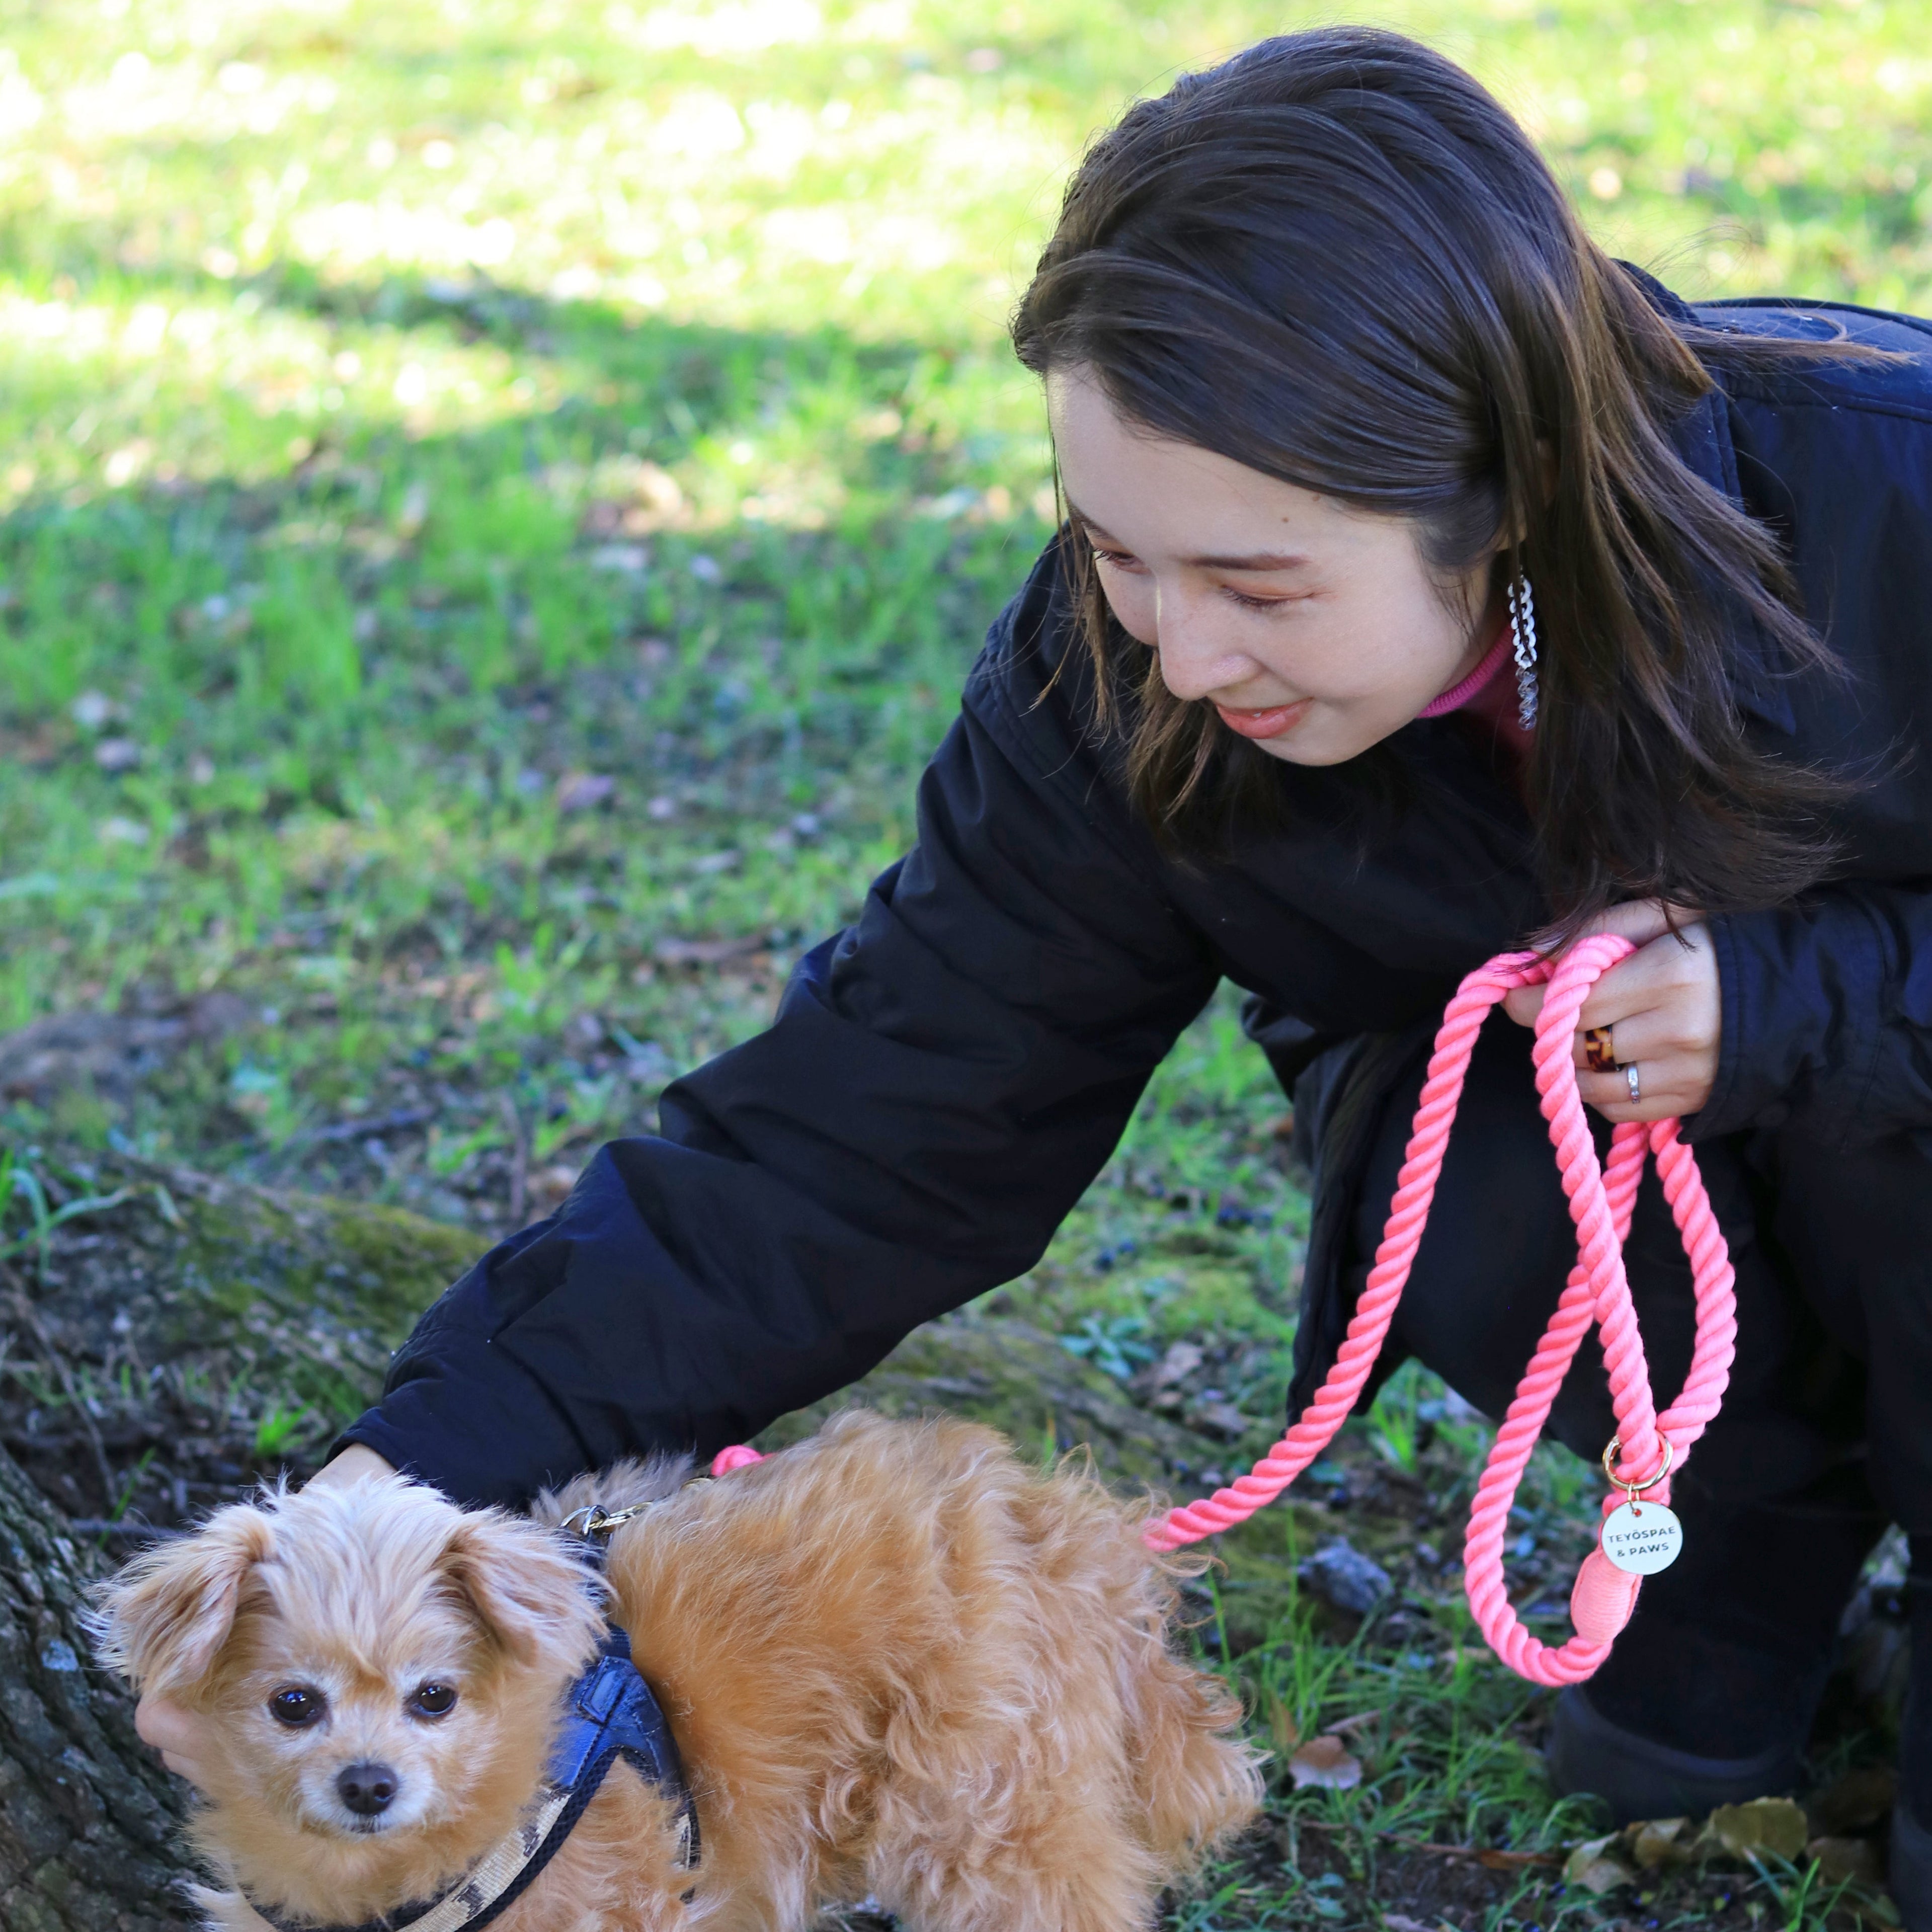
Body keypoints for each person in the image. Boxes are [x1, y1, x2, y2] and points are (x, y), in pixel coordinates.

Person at [139, 24, 1932, 1919]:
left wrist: (1803, 1002)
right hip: (1601, 1181)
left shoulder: (1882, 498)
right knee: (1473, 1173)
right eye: (1116, 552)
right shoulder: (1120, 669)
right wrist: (403, 1486)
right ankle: (1736, 1524)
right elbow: (865, 1136)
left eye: (1256, 582)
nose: (1174, 653)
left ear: (1506, 491)